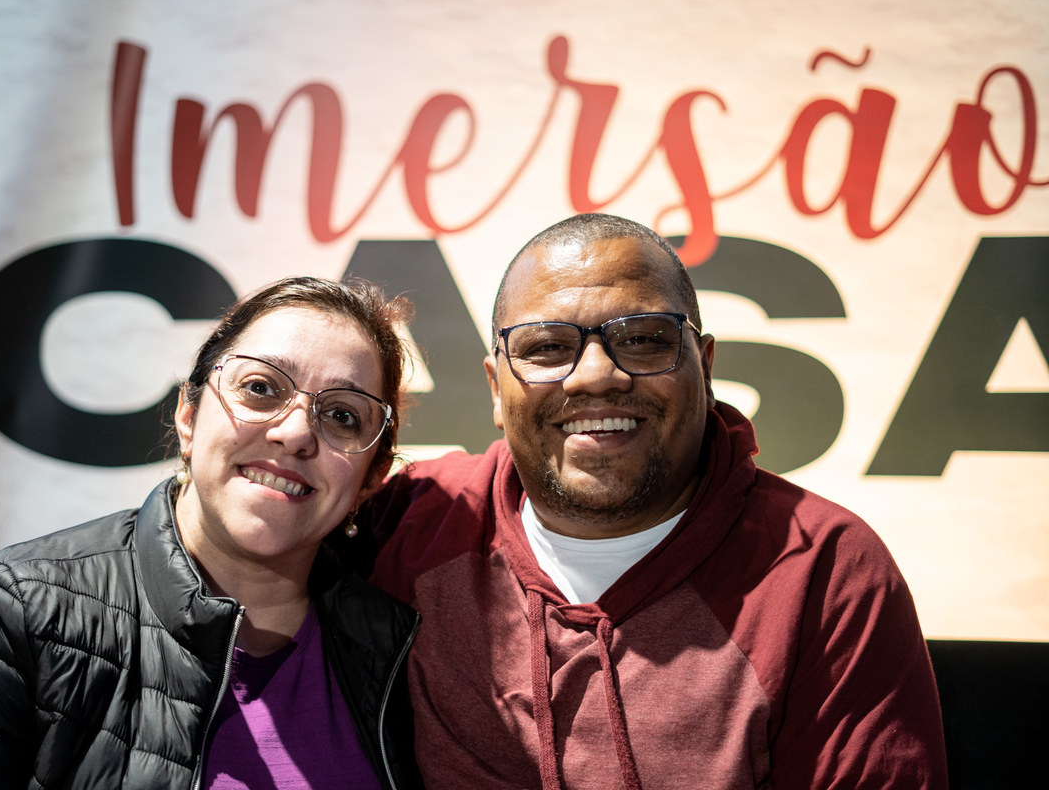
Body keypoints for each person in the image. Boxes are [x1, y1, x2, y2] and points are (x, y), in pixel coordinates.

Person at [357, 213, 949, 789]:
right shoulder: (411, 519)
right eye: (548, 347)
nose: (595, 375)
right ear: (495, 386)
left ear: (705, 368)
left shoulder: (824, 570)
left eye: (641, 339)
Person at [0, 277, 423, 790]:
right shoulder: (14, 613)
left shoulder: (402, 649)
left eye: (343, 415)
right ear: (188, 416)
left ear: (371, 477)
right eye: (260, 388)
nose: (296, 432)